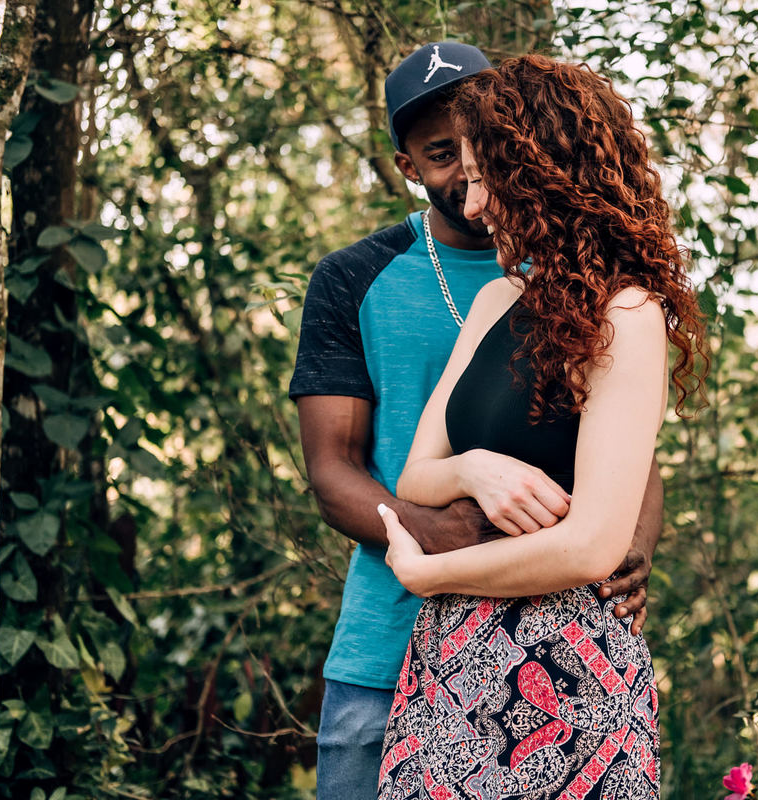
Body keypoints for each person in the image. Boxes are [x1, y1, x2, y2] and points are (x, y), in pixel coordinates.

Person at [288, 42, 664, 800]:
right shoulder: (360, 277)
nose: (467, 182)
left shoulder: (606, 302)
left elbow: (625, 463)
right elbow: (334, 470)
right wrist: (453, 517)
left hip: (561, 646)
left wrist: (627, 548)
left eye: (483, 154)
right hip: (401, 638)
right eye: (441, 154)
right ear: (406, 165)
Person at [375, 55, 707, 799]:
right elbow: (417, 475)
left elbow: (590, 545)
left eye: (488, 176)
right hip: (450, 664)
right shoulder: (496, 300)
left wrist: (430, 572)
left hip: (569, 674)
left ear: (543, 176)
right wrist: (474, 471)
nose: (475, 202)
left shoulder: (626, 316)